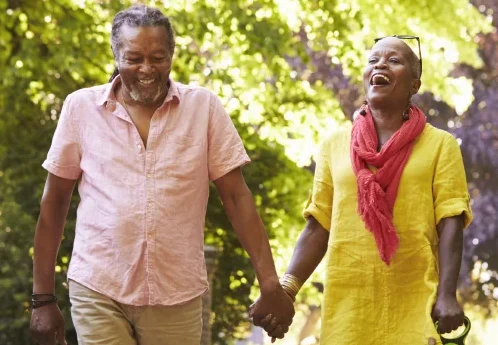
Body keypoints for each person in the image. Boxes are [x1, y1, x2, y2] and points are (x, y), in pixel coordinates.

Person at [29, 5, 294, 345]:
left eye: (158, 57)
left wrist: (270, 283)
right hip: (99, 284)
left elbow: (236, 197)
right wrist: (42, 297)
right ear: (115, 53)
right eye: (134, 58)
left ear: (172, 53)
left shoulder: (204, 108)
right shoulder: (81, 108)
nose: (146, 69)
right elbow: (54, 202)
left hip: (177, 292)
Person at [251, 36, 472, 344]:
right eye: (373, 60)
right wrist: (286, 290)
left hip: (414, 306)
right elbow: (318, 226)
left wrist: (447, 295)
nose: (380, 64)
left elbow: (450, 222)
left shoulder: (440, 145)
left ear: (414, 84)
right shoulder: (333, 145)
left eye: (394, 61)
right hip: (347, 312)